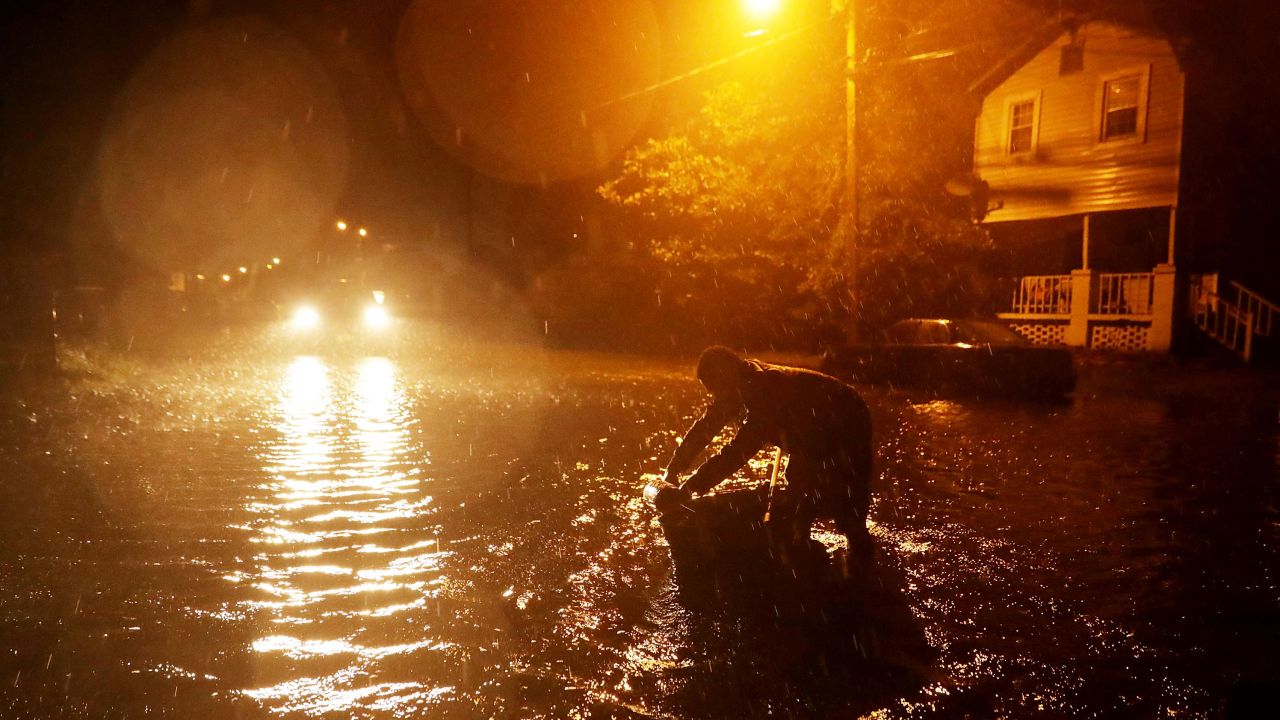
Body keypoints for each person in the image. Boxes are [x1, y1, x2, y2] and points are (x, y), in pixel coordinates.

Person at [653, 346, 874, 560]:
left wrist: (691, 487)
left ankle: (857, 564)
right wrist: (674, 469)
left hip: (846, 421)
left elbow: (738, 452)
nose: (716, 397)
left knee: (846, 508)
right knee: (798, 493)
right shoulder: (737, 385)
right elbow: (706, 427)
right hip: (807, 430)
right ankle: (800, 550)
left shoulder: (767, 390)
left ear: (727, 376)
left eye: (715, 389)